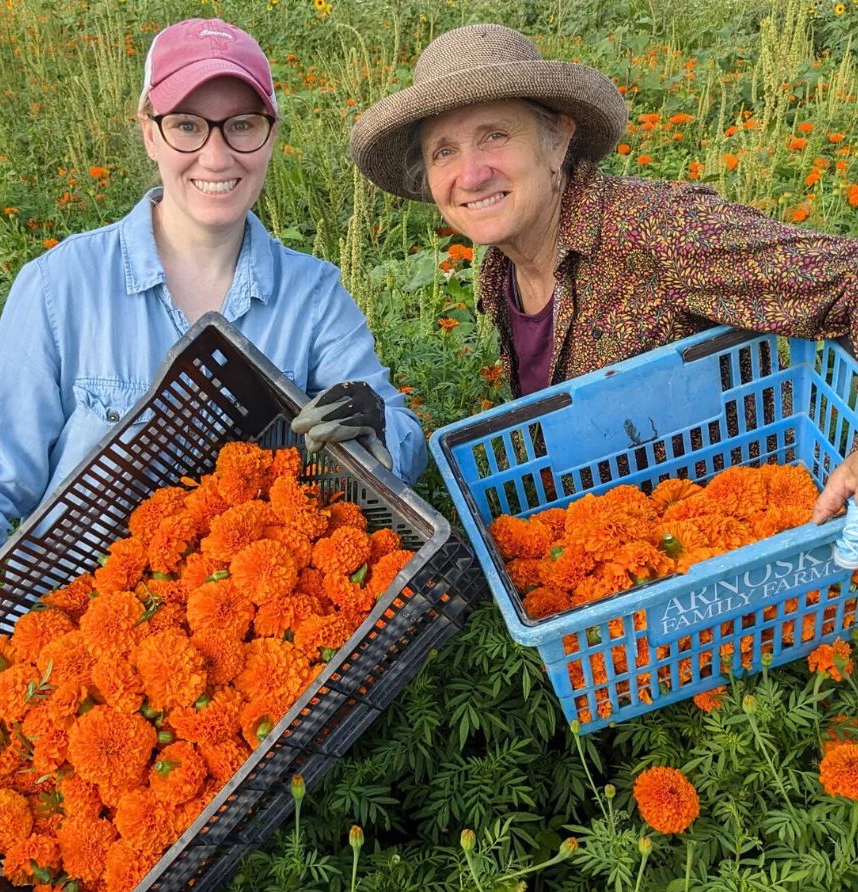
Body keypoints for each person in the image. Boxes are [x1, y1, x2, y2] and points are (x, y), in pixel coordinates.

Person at [0, 17, 426, 678]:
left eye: (242, 124)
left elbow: (401, 453)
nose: (217, 156)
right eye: (188, 124)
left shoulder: (313, 296)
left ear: (270, 134)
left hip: (251, 659)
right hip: (75, 648)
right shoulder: (60, 287)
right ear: (148, 130)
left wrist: (375, 421)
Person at [349, 22, 858, 520]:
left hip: (752, 523)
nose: (472, 173)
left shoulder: (656, 230)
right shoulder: (501, 266)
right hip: (628, 530)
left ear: (557, 142)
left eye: (495, 136)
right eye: (444, 152)